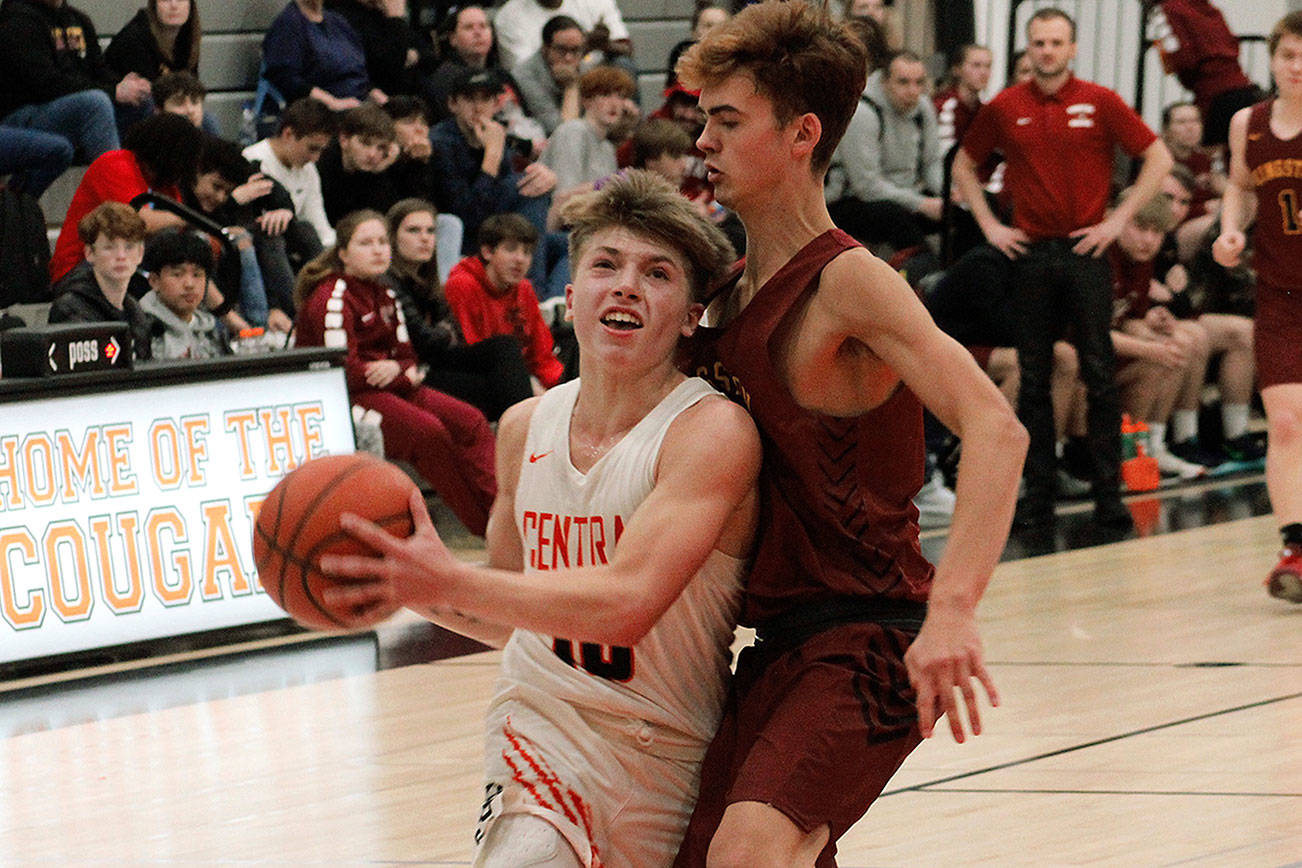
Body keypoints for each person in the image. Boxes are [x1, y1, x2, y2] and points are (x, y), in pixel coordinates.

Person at [670, 2, 1026, 864]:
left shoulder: (850, 281)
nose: (703, 143)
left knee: (747, 850)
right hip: (770, 643)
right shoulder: (722, 287)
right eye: (703, 122)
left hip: (870, 632)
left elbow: (997, 428)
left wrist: (952, 613)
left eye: (726, 120)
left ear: (802, 135)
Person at [320, 170, 758, 867]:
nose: (625, 286)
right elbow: (511, 617)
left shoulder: (709, 432)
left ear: (689, 315)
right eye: (605, 266)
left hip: (665, 746)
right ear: (571, 293)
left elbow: (624, 604)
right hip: (538, 727)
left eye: (657, 274)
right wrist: (413, 590)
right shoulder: (525, 426)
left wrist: (448, 583)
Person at [952, 6, 1173, 531]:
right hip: (1031, 254)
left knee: (1099, 375)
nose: (1046, 51)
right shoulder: (1006, 107)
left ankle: (1108, 496)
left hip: (1086, 252)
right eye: (1038, 43)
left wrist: (1117, 221)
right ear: (1028, 49)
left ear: (1072, 49)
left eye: (1055, 43)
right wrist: (990, 225)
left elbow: (1158, 158)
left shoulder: (1100, 101)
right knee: (1035, 378)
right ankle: (1038, 496)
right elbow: (963, 165)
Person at [294, 209, 498, 535]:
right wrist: (398, 372)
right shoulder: (332, 296)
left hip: (389, 389)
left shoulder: (385, 293)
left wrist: (395, 371)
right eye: (365, 243)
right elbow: (339, 372)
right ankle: (485, 526)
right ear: (343, 253)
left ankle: (504, 518)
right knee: (427, 432)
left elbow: (408, 358)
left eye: (382, 242)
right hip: (345, 400)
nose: (378, 250)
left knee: (471, 421)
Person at [1213, 11, 1302, 604]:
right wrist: (1230, 231)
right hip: (1279, 295)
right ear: (1271, 59)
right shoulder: (1248, 123)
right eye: (1290, 55)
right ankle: (1295, 548)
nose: (1298, 68)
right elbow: (1241, 188)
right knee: (1289, 423)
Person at [385, 198, 533, 420]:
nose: (425, 238)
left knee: (504, 347)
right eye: (414, 230)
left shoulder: (428, 281)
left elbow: (453, 335)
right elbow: (425, 341)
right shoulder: (388, 281)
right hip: (411, 371)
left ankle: (526, 433)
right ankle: (528, 438)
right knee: (494, 389)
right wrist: (443, 332)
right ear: (393, 238)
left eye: (430, 231)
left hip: (435, 363)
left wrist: (442, 333)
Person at [49, 111, 203, 285]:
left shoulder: (166, 186)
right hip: (79, 270)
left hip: (128, 264)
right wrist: (184, 218)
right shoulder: (115, 164)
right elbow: (138, 223)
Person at [825, 49, 945, 270]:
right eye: (903, 82)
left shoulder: (923, 107)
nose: (913, 91)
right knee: (895, 219)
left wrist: (947, 193)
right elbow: (867, 186)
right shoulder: (863, 112)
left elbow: (931, 163)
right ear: (885, 82)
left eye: (919, 83)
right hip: (851, 200)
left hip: (904, 193)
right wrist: (921, 204)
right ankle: (926, 278)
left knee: (967, 210)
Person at [0, 0, 151, 163]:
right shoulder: (16, 21)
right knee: (95, 103)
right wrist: (113, 92)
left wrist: (127, 85)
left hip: (74, 106)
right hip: (23, 115)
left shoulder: (77, 19)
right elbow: (47, 84)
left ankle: (141, 181)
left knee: (141, 101)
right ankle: (114, 182)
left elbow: (99, 70)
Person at [444, 212, 565, 390]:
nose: (520, 260)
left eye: (527, 252)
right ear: (487, 252)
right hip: (476, 378)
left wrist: (566, 388)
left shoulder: (524, 288)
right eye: (510, 249)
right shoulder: (463, 284)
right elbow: (474, 351)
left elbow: (542, 355)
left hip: (518, 376)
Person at [1148, 0, 1262, 150]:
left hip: (1212, 95)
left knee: (1206, 155)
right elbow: (1231, 42)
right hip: (1244, 89)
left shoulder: (1168, 10)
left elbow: (1182, 58)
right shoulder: (1203, 6)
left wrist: (1180, 71)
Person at [48, 201, 153, 360]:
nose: (121, 256)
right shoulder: (69, 309)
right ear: (90, 253)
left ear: (140, 254)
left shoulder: (135, 311)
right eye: (109, 247)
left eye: (129, 247)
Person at [242, 96, 337, 250]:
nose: (315, 158)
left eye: (321, 150)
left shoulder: (309, 170)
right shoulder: (252, 160)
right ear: (288, 134)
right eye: (312, 148)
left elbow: (320, 228)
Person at [262, 0, 386, 112]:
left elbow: (357, 69)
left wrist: (374, 93)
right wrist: (332, 102)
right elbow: (285, 78)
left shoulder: (339, 22)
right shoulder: (288, 24)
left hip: (359, 104)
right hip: (320, 112)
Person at [540, 65, 635, 200]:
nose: (614, 104)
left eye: (620, 96)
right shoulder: (572, 131)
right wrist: (600, 186)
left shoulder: (607, 148)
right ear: (586, 100)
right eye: (606, 95)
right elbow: (562, 196)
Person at [139, 228, 228, 360]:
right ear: (154, 281)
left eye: (197, 275)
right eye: (177, 274)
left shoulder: (214, 330)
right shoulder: (140, 329)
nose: (189, 284)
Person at [325, 0, 435, 98]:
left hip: (411, 96)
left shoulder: (380, 13)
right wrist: (396, 18)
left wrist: (414, 55)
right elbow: (389, 64)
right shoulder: (341, 16)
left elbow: (429, 55)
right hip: (376, 101)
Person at [316, 102, 401, 224]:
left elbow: (381, 218)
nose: (372, 154)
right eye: (365, 143)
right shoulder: (321, 165)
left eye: (381, 147)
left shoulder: (378, 168)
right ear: (344, 140)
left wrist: (379, 172)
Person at [493, 0, 631, 72]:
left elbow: (626, 48)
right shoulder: (509, 16)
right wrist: (582, 47)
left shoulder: (594, 2)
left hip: (594, 79)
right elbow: (523, 73)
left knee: (623, 64)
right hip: (546, 86)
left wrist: (605, 44)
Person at [511, 15, 585, 137]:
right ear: (545, 48)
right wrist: (571, 85)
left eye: (575, 50)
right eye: (561, 50)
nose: (569, 58)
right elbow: (562, 132)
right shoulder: (525, 75)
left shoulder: (586, 67)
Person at [933, 44, 992, 155]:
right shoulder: (944, 106)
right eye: (976, 65)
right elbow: (943, 153)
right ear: (957, 69)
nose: (984, 72)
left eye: (988, 66)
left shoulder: (984, 110)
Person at [665, 2, 729, 90]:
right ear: (694, 31)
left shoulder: (739, 63)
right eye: (709, 25)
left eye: (722, 26)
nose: (715, 31)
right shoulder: (682, 58)